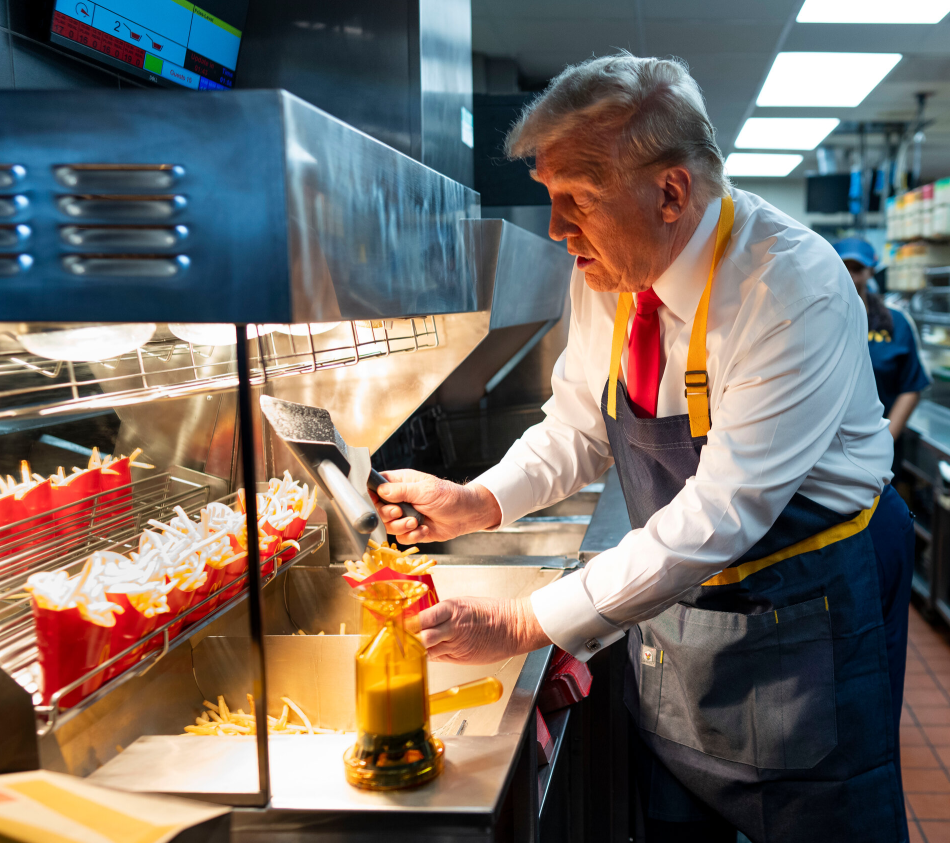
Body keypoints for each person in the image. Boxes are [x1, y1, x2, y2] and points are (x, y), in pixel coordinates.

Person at [372, 54, 914, 843]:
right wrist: (479, 500)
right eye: (550, 198)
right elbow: (577, 425)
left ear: (671, 192)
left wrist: (529, 621)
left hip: (810, 599)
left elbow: (724, 512)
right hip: (681, 601)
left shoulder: (789, 287)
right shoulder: (610, 271)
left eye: (576, 201)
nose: (556, 229)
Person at [834, 237, 930, 442]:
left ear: (871, 271)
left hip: (879, 444)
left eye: (857, 269)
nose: (851, 277)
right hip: (826, 448)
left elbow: (910, 388)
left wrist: (883, 444)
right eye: (844, 268)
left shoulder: (897, 323)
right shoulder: (820, 320)